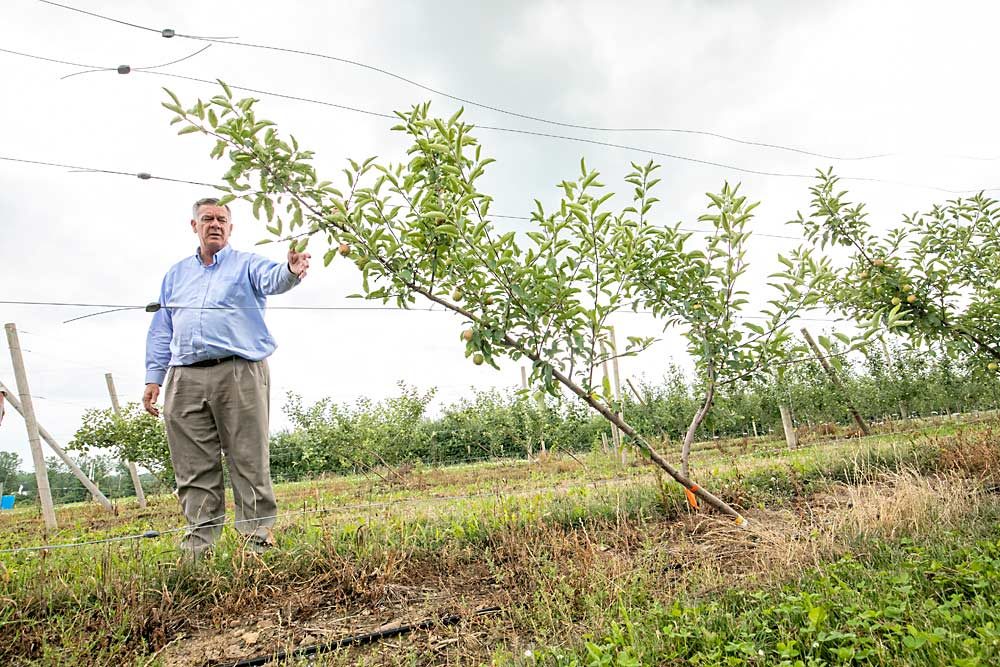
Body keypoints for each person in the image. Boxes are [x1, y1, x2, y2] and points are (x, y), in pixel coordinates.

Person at [143, 197, 310, 554]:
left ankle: (257, 543)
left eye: (221, 219)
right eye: (207, 219)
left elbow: (272, 278)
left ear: (231, 228)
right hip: (184, 376)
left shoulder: (246, 264)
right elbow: (162, 328)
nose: (215, 224)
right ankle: (199, 548)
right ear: (194, 226)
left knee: (248, 459)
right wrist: (153, 377)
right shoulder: (175, 275)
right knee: (192, 467)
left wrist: (291, 270)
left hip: (239, 372)